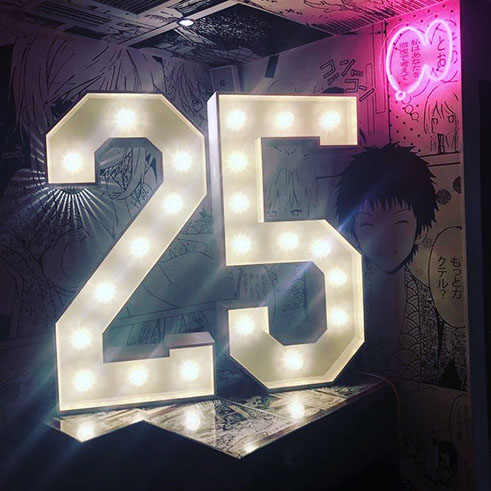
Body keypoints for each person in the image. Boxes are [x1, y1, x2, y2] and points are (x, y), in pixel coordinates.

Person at [336, 143, 466, 389]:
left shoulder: (438, 312)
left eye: (400, 224)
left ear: (420, 231)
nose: (385, 239)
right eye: (368, 226)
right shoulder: (340, 304)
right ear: (353, 234)